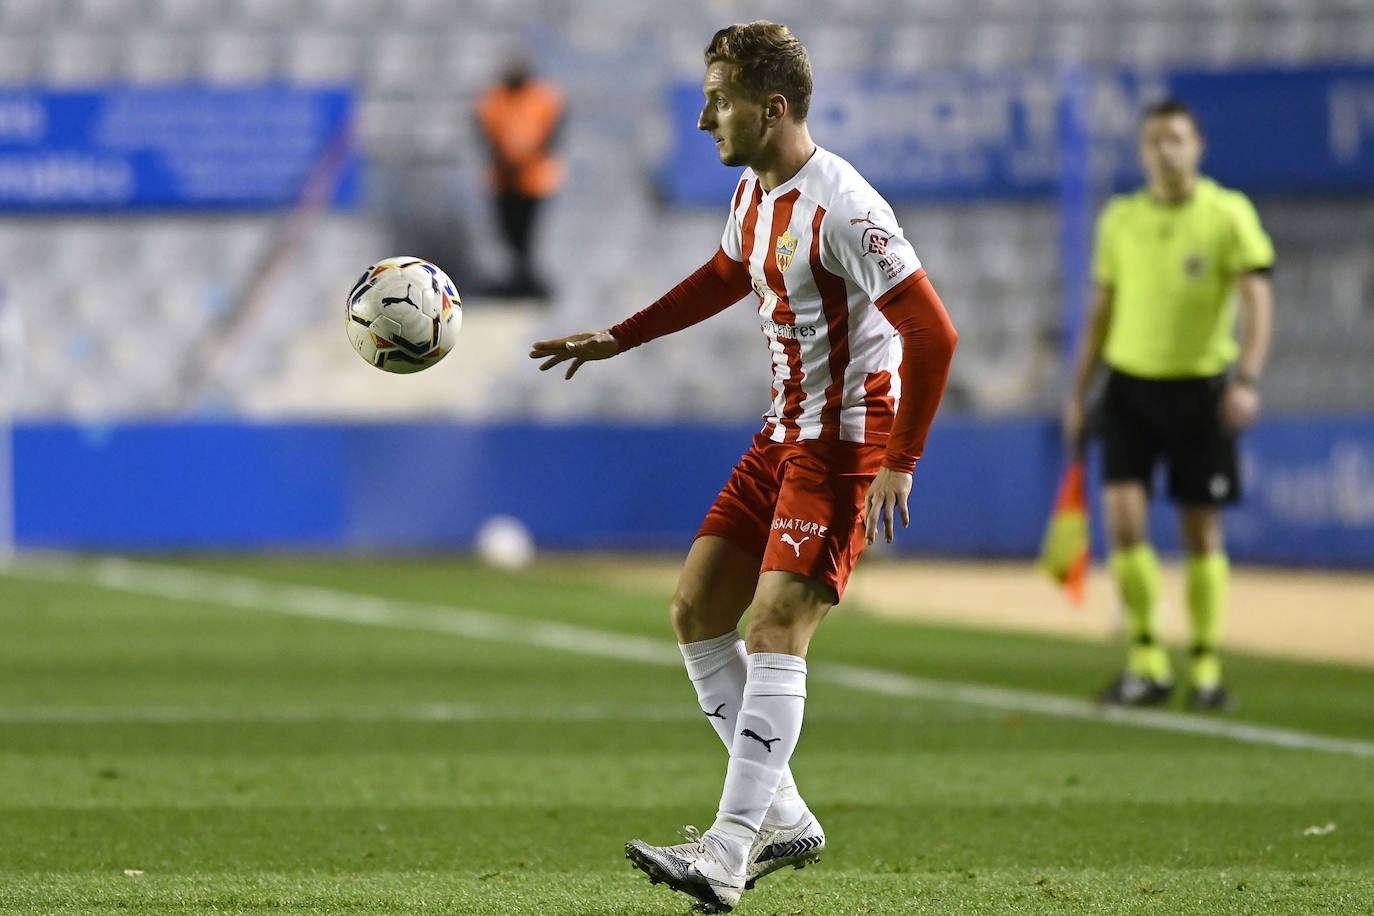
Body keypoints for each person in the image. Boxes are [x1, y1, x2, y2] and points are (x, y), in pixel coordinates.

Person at [529, 21, 957, 913]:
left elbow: (933, 330)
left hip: (843, 443)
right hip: (781, 433)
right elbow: (728, 274)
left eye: (717, 99)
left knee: (773, 628)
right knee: (694, 609)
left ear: (771, 108)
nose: (702, 118)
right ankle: (784, 814)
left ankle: (728, 852)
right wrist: (623, 336)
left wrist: (898, 460)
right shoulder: (757, 195)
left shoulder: (845, 205)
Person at [1063, 99, 1275, 712]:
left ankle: (1206, 667)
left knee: (1200, 527)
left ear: (1198, 146)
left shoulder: (1228, 214)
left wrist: (1248, 379)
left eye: (1177, 139)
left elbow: (1258, 299)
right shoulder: (1121, 220)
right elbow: (1101, 313)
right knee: (1125, 521)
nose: (1166, 150)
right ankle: (1147, 659)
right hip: (1130, 388)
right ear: (1142, 151)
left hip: (1202, 388)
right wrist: (1079, 394)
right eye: (1155, 140)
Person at [476, 57, 565, 299]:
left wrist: (528, 161)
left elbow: (553, 132)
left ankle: (527, 279)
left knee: (528, 232)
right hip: (504, 178)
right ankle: (520, 278)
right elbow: (485, 133)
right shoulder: (495, 98)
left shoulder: (543, 97)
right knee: (508, 231)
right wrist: (506, 161)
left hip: (534, 179)